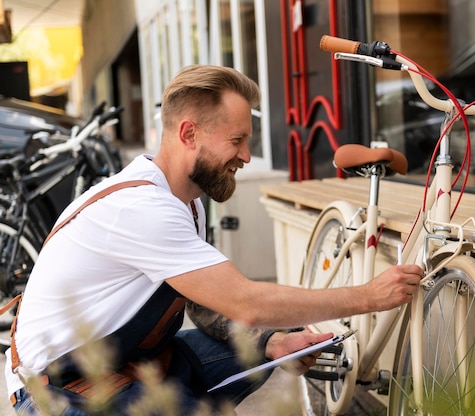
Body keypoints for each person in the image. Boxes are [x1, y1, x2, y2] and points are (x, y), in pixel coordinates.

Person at [4, 65, 423, 415]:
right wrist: (370, 296)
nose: (245, 155)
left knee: (256, 349)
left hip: (127, 360)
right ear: (189, 134)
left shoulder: (185, 199)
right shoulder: (141, 208)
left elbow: (205, 300)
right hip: (56, 392)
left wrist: (273, 342)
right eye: (237, 141)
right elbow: (247, 302)